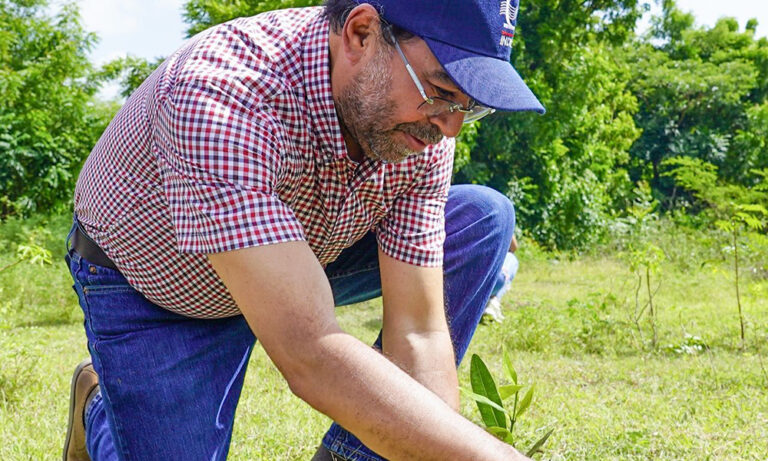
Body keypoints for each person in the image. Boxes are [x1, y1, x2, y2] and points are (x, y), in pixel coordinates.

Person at [62, 0, 544, 459]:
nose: (451, 126)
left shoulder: (420, 123)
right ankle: (99, 409)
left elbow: (418, 331)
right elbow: (310, 352)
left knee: (482, 217)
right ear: (361, 33)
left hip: (304, 250)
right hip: (159, 284)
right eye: (441, 90)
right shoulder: (221, 93)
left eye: (469, 104)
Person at [483, 235, 519, 323]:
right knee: (511, 258)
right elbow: (513, 247)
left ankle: (492, 301)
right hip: (492, 279)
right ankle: (493, 301)